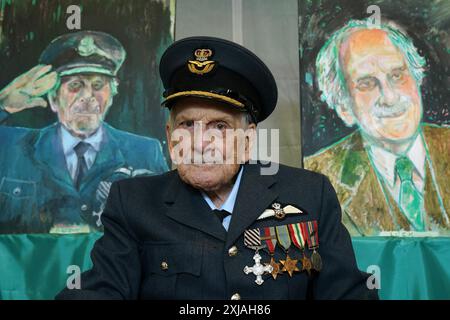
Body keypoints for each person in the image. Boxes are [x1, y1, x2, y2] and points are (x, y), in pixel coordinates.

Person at [56, 36, 377, 299]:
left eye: (220, 127)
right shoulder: (134, 202)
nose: (200, 142)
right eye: (186, 124)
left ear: (247, 139)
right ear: (169, 137)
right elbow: (102, 291)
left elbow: (347, 295)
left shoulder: (309, 194)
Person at [0, 31, 168, 234]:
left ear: (112, 95)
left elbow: (165, 227)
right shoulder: (12, 145)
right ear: (53, 98)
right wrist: (3, 104)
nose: (88, 96)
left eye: (98, 85)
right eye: (75, 85)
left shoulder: (144, 152)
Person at [305, 20, 450, 236]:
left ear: (417, 77)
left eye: (397, 75)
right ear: (344, 105)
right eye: (367, 83)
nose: (390, 97)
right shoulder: (316, 177)